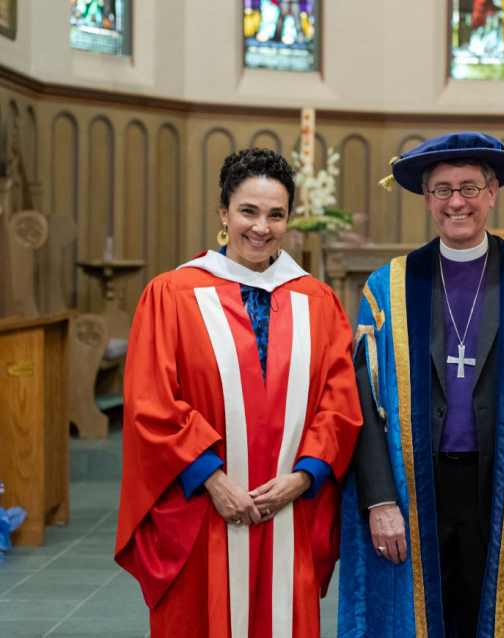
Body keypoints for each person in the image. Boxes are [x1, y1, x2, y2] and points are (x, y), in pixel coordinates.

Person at [115, 148, 362, 638]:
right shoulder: (172, 295)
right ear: (224, 213)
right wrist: (213, 479)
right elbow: (152, 400)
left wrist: (305, 477)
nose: (261, 227)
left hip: (289, 509)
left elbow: (339, 402)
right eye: (248, 211)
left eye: (276, 215)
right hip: (203, 511)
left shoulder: (317, 301)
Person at [338, 132, 504, 637]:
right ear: (426, 199)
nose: (456, 202)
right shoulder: (388, 288)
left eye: (469, 187)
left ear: (492, 192)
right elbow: (361, 399)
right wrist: (379, 501)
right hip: (415, 488)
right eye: (442, 190)